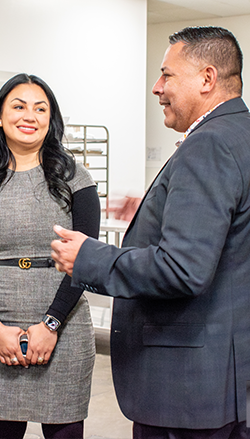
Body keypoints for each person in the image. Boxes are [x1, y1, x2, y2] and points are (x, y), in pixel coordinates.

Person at [51, 26, 250, 439]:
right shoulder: (240, 135)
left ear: (207, 79)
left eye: (167, 75)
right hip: (228, 376)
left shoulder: (207, 145)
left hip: (189, 389)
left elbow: (183, 269)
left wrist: (90, 257)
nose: (157, 88)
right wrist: (156, 209)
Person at [0, 73, 100, 439]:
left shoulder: (75, 178)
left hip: (62, 328)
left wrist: (50, 325)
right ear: (0, 117)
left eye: (40, 108)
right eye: (18, 106)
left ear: (51, 119)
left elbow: (85, 261)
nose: (29, 116)